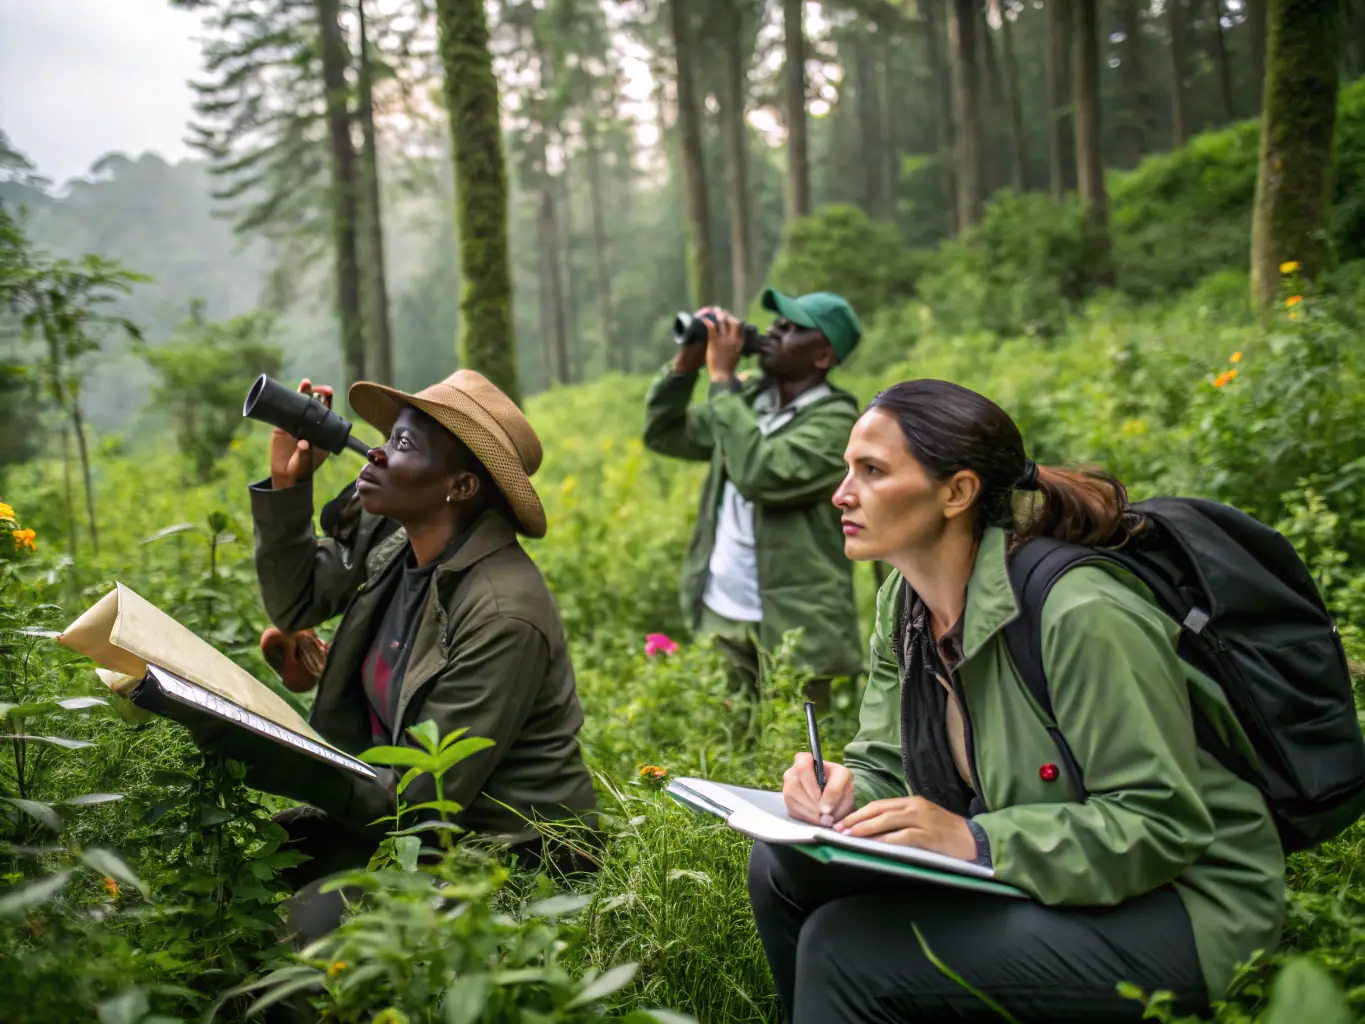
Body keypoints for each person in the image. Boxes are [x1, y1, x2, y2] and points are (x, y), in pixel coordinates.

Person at [747, 379, 1286, 1022]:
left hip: (1185, 905)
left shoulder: (1081, 614)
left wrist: (977, 841)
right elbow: (884, 761)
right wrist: (840, 790)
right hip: (1053, 870)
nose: (841, 494)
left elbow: (1160, 823)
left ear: (958, 491)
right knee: (783, 867)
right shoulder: (904, 603)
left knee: (847, 952)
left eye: (872, 471)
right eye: (846, 470)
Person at [229, 371, 599, 942]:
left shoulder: (504, 613)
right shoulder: (397, 539)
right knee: (247, 874)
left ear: (462, 486)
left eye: (402, 445)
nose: (374, 451)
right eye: (386, 436)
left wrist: (271, 752)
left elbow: (421, 800)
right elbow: (297, 601)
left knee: (306, 931)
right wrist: (287, 485)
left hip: (496, 852)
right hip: (401, 814)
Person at [642, 288, 865, 709]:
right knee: (723, 745)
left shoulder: (839, 424)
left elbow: (762, 474)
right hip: (722, 610)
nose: (775, 331)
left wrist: (723, 381)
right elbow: (664, 434)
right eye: (777, 323)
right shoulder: (749, 400)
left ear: (823, 356)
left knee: (796, 755)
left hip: (798, 623)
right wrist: (685, 367)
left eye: (794, 328)